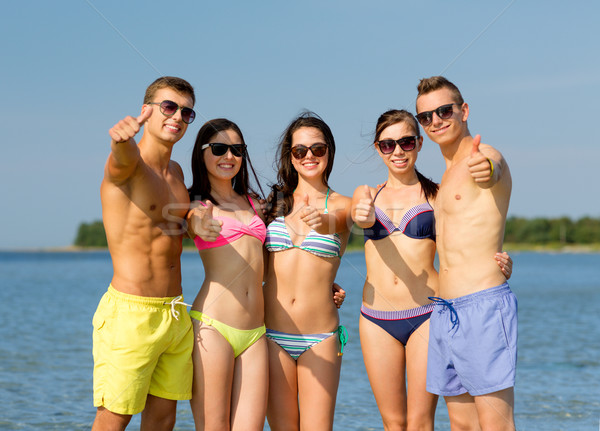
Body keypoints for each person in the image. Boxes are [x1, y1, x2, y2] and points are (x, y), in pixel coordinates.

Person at [352, 109, 513, 431]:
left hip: (427, 314)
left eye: (406, 142)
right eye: (388, 144)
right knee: (393, 422)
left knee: (420, 421)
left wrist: (501, 264)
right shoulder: (366, 194)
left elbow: (464, 246)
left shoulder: (436, 196)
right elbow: (360, 219)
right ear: (377, 148)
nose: (397, 151)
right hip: (375, 318)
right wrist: (363, 217)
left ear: (419, 144)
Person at [93, 77, 196, 430]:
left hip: (175, 314)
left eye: (186, 112)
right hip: (130, 314)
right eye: (169, 107)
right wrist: (119, 141)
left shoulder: (178, 175)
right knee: (114, 417)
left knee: (164, 419)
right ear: (146, 111)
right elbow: (119, 161)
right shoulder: (130, 164)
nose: (178, 116)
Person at [415, 76, 516, 430]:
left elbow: (492, 168)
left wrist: (486, 170)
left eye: (444, 110)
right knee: (462, 425)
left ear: (464, 110)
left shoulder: (484, 156)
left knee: (496, 424)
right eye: (425, 116)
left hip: (483, 306)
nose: (435, 121)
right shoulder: (442, 182)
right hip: (445, 312)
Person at [263, 112, 352, 431]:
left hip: (322, 337)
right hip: (273, 335)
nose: (309, 156)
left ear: (330, 151)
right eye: (300, 150)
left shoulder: (344, 204)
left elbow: (349, 220)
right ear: (290, 155)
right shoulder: (272, 204)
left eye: (318, 148)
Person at [185, 119, 269, 430]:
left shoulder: (254, 204)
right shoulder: (196, 203)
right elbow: (193, 221)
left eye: (237, 149)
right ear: (202, 153)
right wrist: (198, 222)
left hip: (255, 333)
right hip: (212, 326)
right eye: (219, 149)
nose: (228, 156)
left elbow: (270, 263)